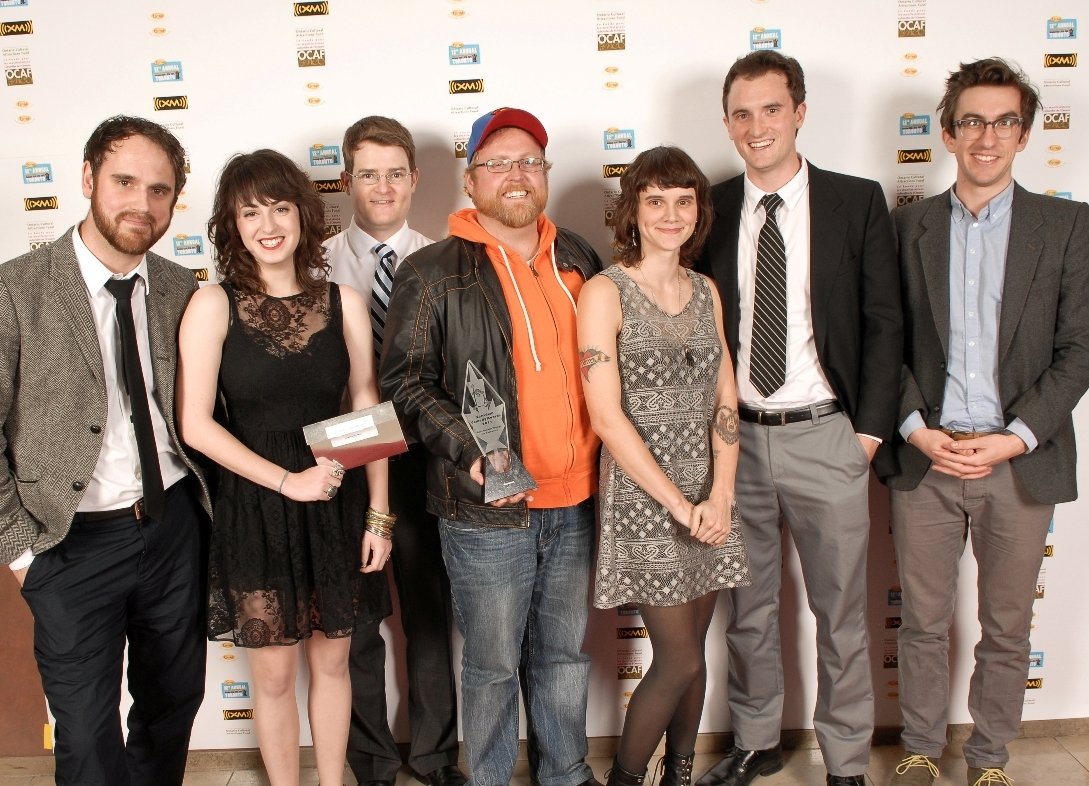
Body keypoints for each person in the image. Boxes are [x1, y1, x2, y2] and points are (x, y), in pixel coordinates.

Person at [694, 51, 902, 786]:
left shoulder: (855, 200)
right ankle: (755, 740)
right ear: (726, 123)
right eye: (742, 113)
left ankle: (845, 758)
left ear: (800, 112)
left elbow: (884, 323)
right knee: (748, 611)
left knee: (839, 616)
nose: (757, 126)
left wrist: (866, 434)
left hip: (827, 435)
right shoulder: (706, 208)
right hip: (735, 442)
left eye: (771, 109)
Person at [880, 58, 1089, 786]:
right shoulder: (906, 228)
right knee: (924, 624)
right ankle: (916, 749)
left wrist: (1015, 436)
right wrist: (913, 427)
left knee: (1005, 629)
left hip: (1019, 463)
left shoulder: (1067, 226)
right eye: (971, 120)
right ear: (946, 132)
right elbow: (887, 342)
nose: (986, 136)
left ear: (1024, 134)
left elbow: (1079, 348)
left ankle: (990, 759)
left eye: (1003, 121)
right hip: (926, 458)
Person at [380, 107, 604, 786]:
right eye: (497, 162)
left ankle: (564, 774)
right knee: (490, 664)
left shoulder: (578, 256)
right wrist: (468, 451)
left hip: (577, 499)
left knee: (563, 658)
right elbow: (405, 383)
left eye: (529, 161)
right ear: (470, 180)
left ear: (544, 176)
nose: (516, 175)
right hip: (484, 509)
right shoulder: (430, 271)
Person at [0, 115, 210, 785]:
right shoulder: (16, 289)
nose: (141, 204)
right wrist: (22, 551)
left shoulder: (183, 290)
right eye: (124, 181)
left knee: (172, 706)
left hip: (172, 527)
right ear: (88, 178)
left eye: (159, 190)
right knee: (88, 735)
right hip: (68, 544)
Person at [177, 149, 393, 786]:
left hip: (337, 502)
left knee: (332, 666)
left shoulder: (344, 301)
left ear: (303, 214)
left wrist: (379, 514)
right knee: (272, 677)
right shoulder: (213, 306)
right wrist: (284, 482)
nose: (267, 223)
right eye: (250, 212)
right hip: (256, 508)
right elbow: (196, 424)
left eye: (279, 207)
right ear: (232, 226)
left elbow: (365, 405)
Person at [578, 146, 752, 786]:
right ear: (633, 210)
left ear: (699, 211)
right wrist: (680, 506)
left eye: (684, 200)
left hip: (710, 493)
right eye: (656, 200)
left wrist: (722, 494)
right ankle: (626, 779)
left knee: (693, 651)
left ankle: (678, 774)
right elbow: (606, 416)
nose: (671, 214)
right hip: (646, 498)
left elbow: (724, 398)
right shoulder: (604, 291)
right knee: (676, 658)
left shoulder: (705, 289)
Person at [324, 115, 465, 786]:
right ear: (346, 180)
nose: (382, 187)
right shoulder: (313, 262)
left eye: (395, 173)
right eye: (368, 174)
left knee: (429, 617)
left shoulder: (442, 261)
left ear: (414, 180)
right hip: (344, 466)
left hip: (424, 465)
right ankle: (373, 760)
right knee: (354, 625)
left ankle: (436, 756)